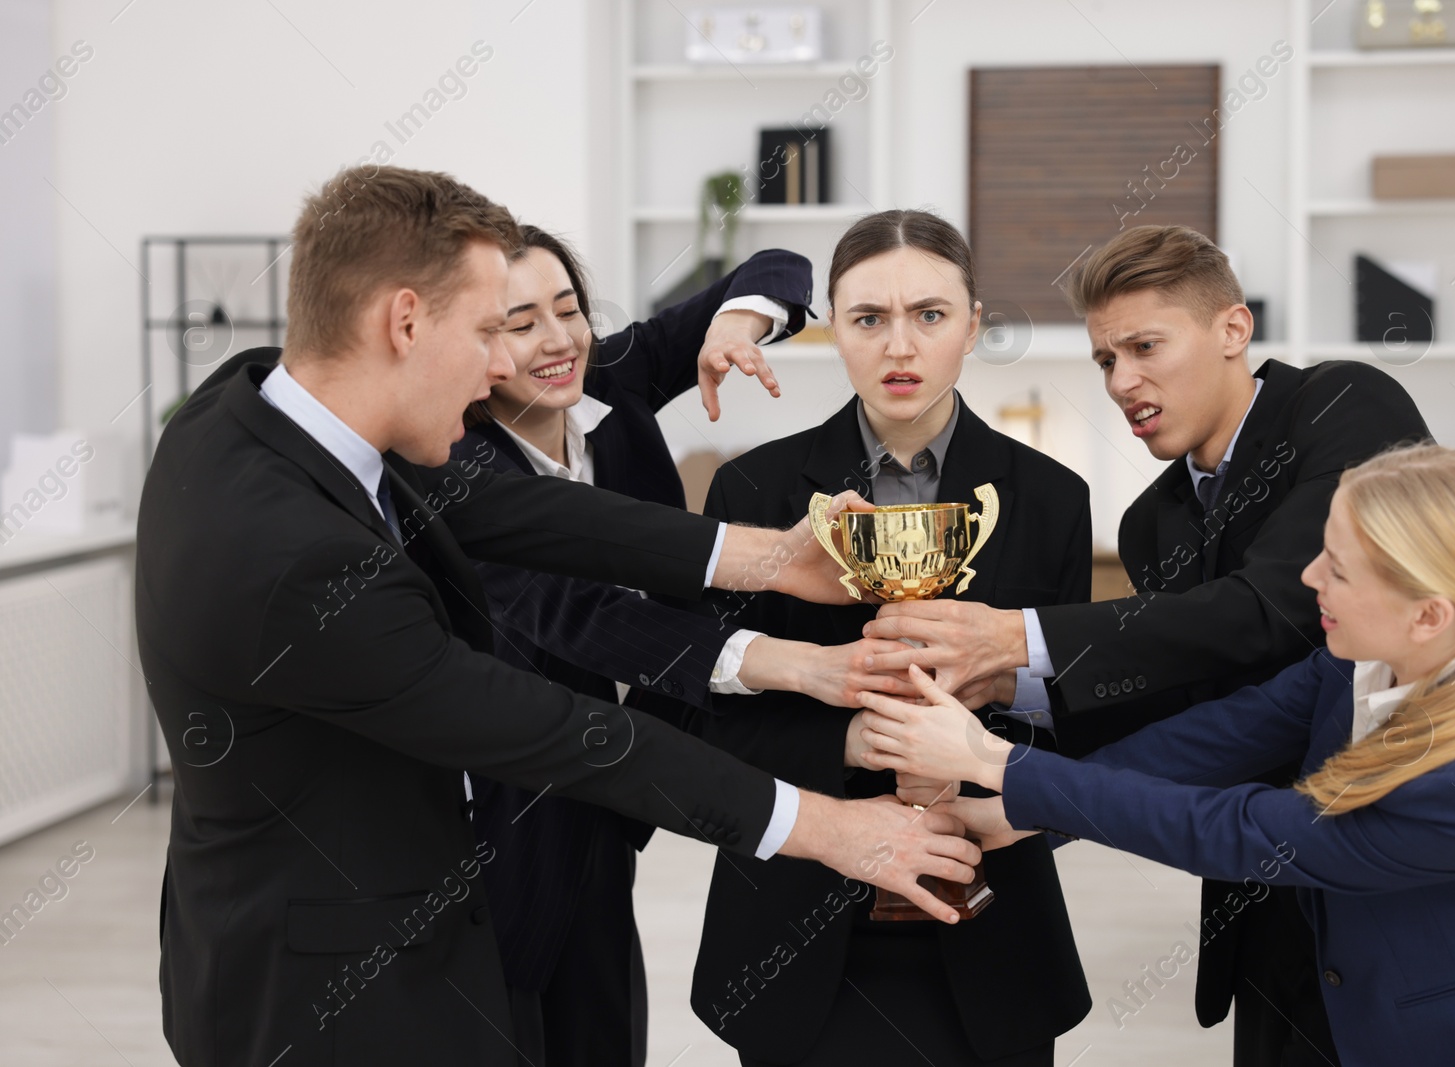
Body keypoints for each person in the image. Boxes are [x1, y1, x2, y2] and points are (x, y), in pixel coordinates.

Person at [135, 165, 981, 1067]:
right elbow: (554, 729)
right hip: (333, 984)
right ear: (406, 321)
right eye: (486, 331)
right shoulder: (297, 563)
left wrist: (770, 556)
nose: (505, 366)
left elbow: (518, 513)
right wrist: (832, 828)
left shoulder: (253, 402)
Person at [861, 224, 1432, 1063]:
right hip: (1261, 900)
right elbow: (1175, 699)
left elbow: (1273, 609)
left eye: (1145, 346)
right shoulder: (1150, 521)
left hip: (1395, 883)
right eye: (1104, 360)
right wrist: (995, 691)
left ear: (1232, 330)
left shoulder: (1345, 405)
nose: (1124, 382)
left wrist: (1014, 635)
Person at [859, 442, 1455, 1066]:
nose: (1309, 578)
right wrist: (1030, 812)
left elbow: (1239, 829)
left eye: (1338, 570)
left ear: (1428, 612)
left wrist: (994, 760)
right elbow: (1235, 729)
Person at [450, 224, 915, 1065]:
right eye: (521, 323)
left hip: (614, 787)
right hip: (509, 810)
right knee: (508, 1018)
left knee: (603, 1022)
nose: (558, 339)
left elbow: (778, 265)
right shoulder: (459, 470)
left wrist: (738, 323)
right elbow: (581, 618)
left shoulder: (611, 379)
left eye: (568, 308)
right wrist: (795, 662)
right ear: (476, 347)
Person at [683, 209, 1095, 1066]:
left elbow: (1076, 718)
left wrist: (979, 759)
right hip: (793, 932)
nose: (899, 346)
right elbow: (704, 718)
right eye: (869, 318)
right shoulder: (753, 489)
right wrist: (847, 735)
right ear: (834, 328)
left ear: (974, 324)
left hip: (991, 931)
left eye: (931, 315)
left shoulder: (1051, 497)